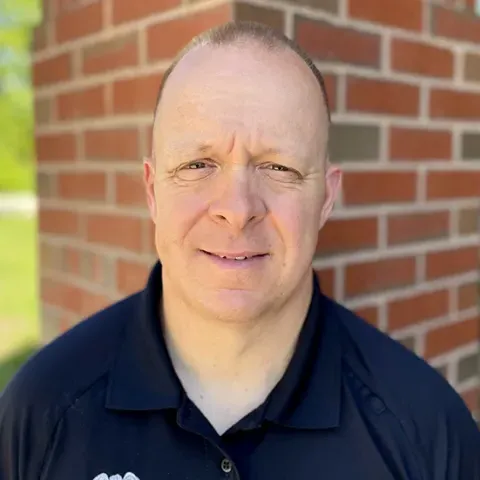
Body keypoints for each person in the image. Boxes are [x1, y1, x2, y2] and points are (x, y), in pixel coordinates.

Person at [0, 21, 479, 480]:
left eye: (279, 168)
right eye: (198, 163)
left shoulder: (426, 428)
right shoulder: (42, 410)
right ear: (152, 191)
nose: (236, 208)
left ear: (326, 198)